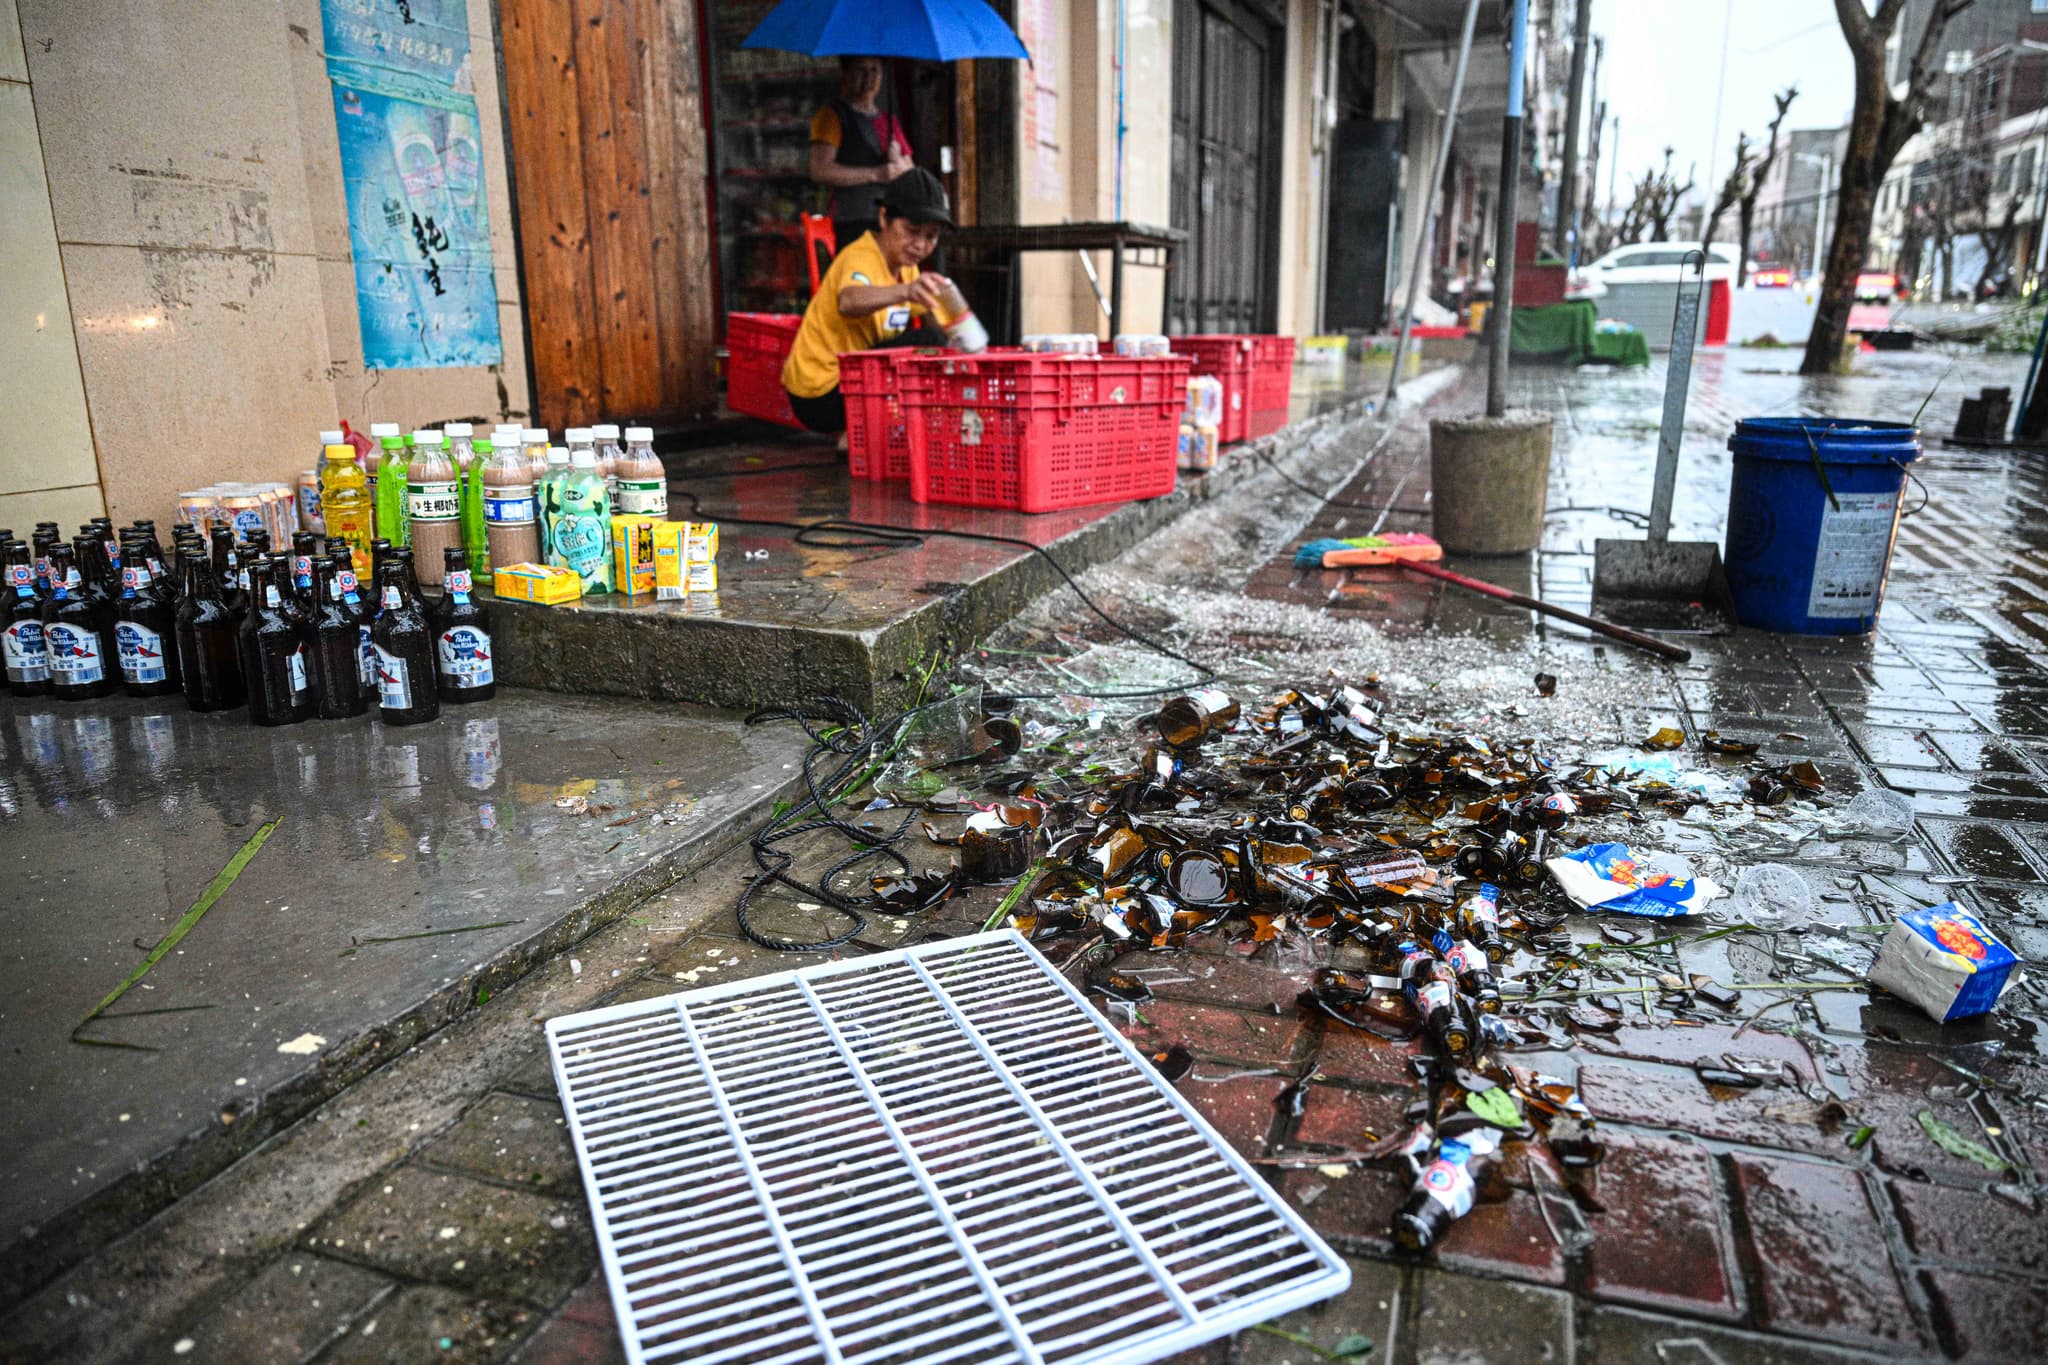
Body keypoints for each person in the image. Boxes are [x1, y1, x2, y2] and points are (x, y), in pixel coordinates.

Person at [782, 169, 956, 437]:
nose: (920, 245)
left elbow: (934, 317)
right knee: (928, 342)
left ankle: (860, 433)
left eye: (931, 236)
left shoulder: (906, 267)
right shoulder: (860, 256)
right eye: (912, 231)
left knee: (938, 340)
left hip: (851, 384)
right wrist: (907, 291)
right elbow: (849, 301)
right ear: (884, 218)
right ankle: (854, 433)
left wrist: (957, 327)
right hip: (820, 393)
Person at [808, 56, 914, 254]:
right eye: (861, 70)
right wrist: (875, 174)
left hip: (890, 220)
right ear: (845, 73)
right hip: (853, 219)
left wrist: (897, 160)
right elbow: (820, 170)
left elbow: (909, 170)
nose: (869, 78)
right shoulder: (832, 116)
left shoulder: (888, 120)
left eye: (875, 71)